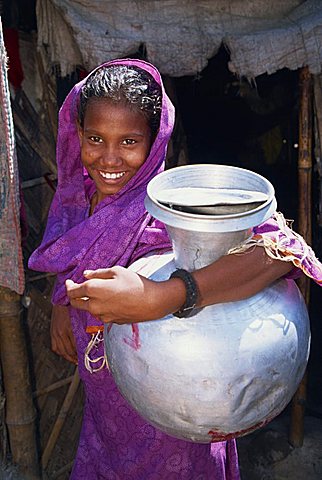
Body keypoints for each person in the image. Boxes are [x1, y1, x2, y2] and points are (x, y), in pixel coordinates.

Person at [29, 58, 322, 479]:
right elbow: (68, 248)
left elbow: (280, 248)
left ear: (155, 139)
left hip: (178, 406)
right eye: (95, 138)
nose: (109, 158)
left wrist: (164, 295)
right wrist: (62, 301)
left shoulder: (173, 209)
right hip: (107, 404)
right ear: (78, 136)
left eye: (129, 141)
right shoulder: (79, 195)